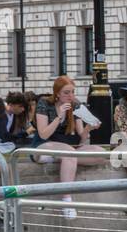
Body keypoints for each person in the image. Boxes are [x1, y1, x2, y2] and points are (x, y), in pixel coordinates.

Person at [34, 76, 106, 218]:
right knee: (69, 153)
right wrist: (58, 117)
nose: (70, 96)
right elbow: (43, 134)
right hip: (44, 145)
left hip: (69, 147)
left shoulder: (75, 104)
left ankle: (63, 160)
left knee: (101, 153)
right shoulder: (44, 103)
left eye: (72, 92)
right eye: (66, 92)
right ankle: (66, 200)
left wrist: (89, 128)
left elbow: (81, 138)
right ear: (57, 93)